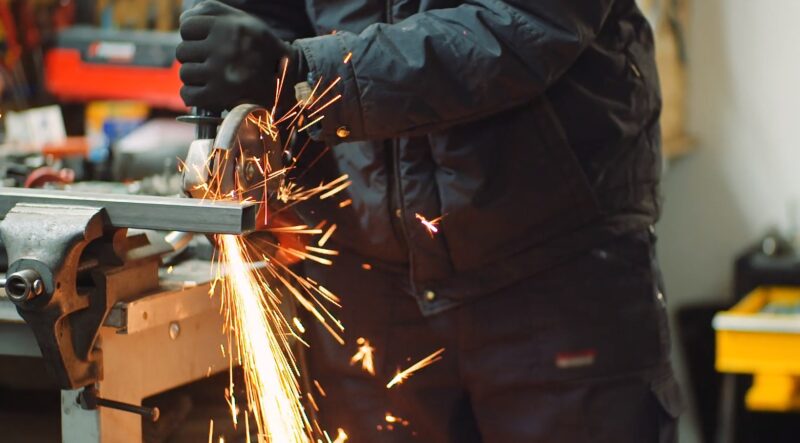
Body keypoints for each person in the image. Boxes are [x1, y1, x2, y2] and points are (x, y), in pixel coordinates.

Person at [176, 1, 683, 441]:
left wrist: (305, 70)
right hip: (366, 273)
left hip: (553, 270)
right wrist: (237, 47)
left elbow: (528, 22)